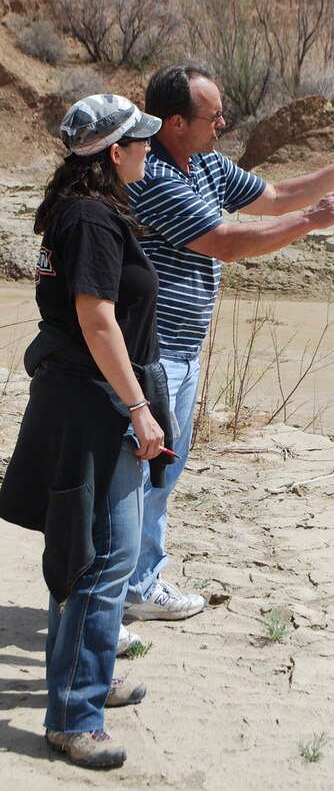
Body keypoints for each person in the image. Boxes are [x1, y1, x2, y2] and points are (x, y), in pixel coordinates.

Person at [124, 62, 334, 622]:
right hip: (150, 353)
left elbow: (273, 195)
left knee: (162, 470)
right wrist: (311, 221)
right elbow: (224, 240)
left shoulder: (203, 164)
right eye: (212, 114)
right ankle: (127, 587)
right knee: (139, 473)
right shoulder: (152, 173)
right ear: (175, 122)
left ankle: (138, 582)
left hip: (181, 352)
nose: (224, 121)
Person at [0, 95, 171, 769]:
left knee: (91, 552)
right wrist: (137, 407)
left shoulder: (81, 212)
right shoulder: (92, 219)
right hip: (91, 404)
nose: (148, 150)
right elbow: (96, 319)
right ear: (110, 153)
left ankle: (84, 678)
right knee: (100, 559)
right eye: (140, 141)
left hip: (83, 397)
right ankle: (74, 715)